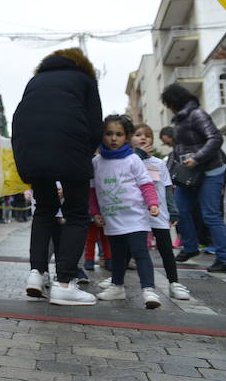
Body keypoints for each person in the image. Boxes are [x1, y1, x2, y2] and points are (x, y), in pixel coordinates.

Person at [12, 47, 102, 306]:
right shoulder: (84, 80)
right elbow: (95, 124)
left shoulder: (35, 81)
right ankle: (65, 283)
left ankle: (36, 275)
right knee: (75, 213)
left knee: (44, 210)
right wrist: (85, 153)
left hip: (29, 148)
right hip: (70, 146)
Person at [162, 83, 226, 273]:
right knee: (180, 210)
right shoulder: (179, 120)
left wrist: (197, 158)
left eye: (168, 103)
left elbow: (216, 138)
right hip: (190, 175)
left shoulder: (197, 114)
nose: (167, 107)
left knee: (211, 215)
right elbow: (178, 150)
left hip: (210, 172)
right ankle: (190, 247)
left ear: (174, 101)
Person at [90, 115, 162, 309]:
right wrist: (95, 211)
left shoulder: (133, 160)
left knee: (140, 252)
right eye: (109, 134)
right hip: (112, 219)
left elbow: (146, 184)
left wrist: (152, 203)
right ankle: (117, 286)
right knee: (117, 255)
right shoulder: (96, 162)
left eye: (119, 134)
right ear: (102, 135)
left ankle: (148, 290)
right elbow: (93, 190)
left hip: (136, 217)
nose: (114, 138)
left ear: (127, 137)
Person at [122, 123, 190, 300]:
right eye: (138, 135)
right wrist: (140, 155)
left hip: (157, 212)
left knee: (166, 249)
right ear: (129, 139)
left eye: (147, 135)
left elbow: (167, 188)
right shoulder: (127, 161)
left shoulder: (159, 163)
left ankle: (174, 283)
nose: (143, 138)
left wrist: (173, 211)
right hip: (136, 213)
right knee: (129, 249)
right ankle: (117, 282)